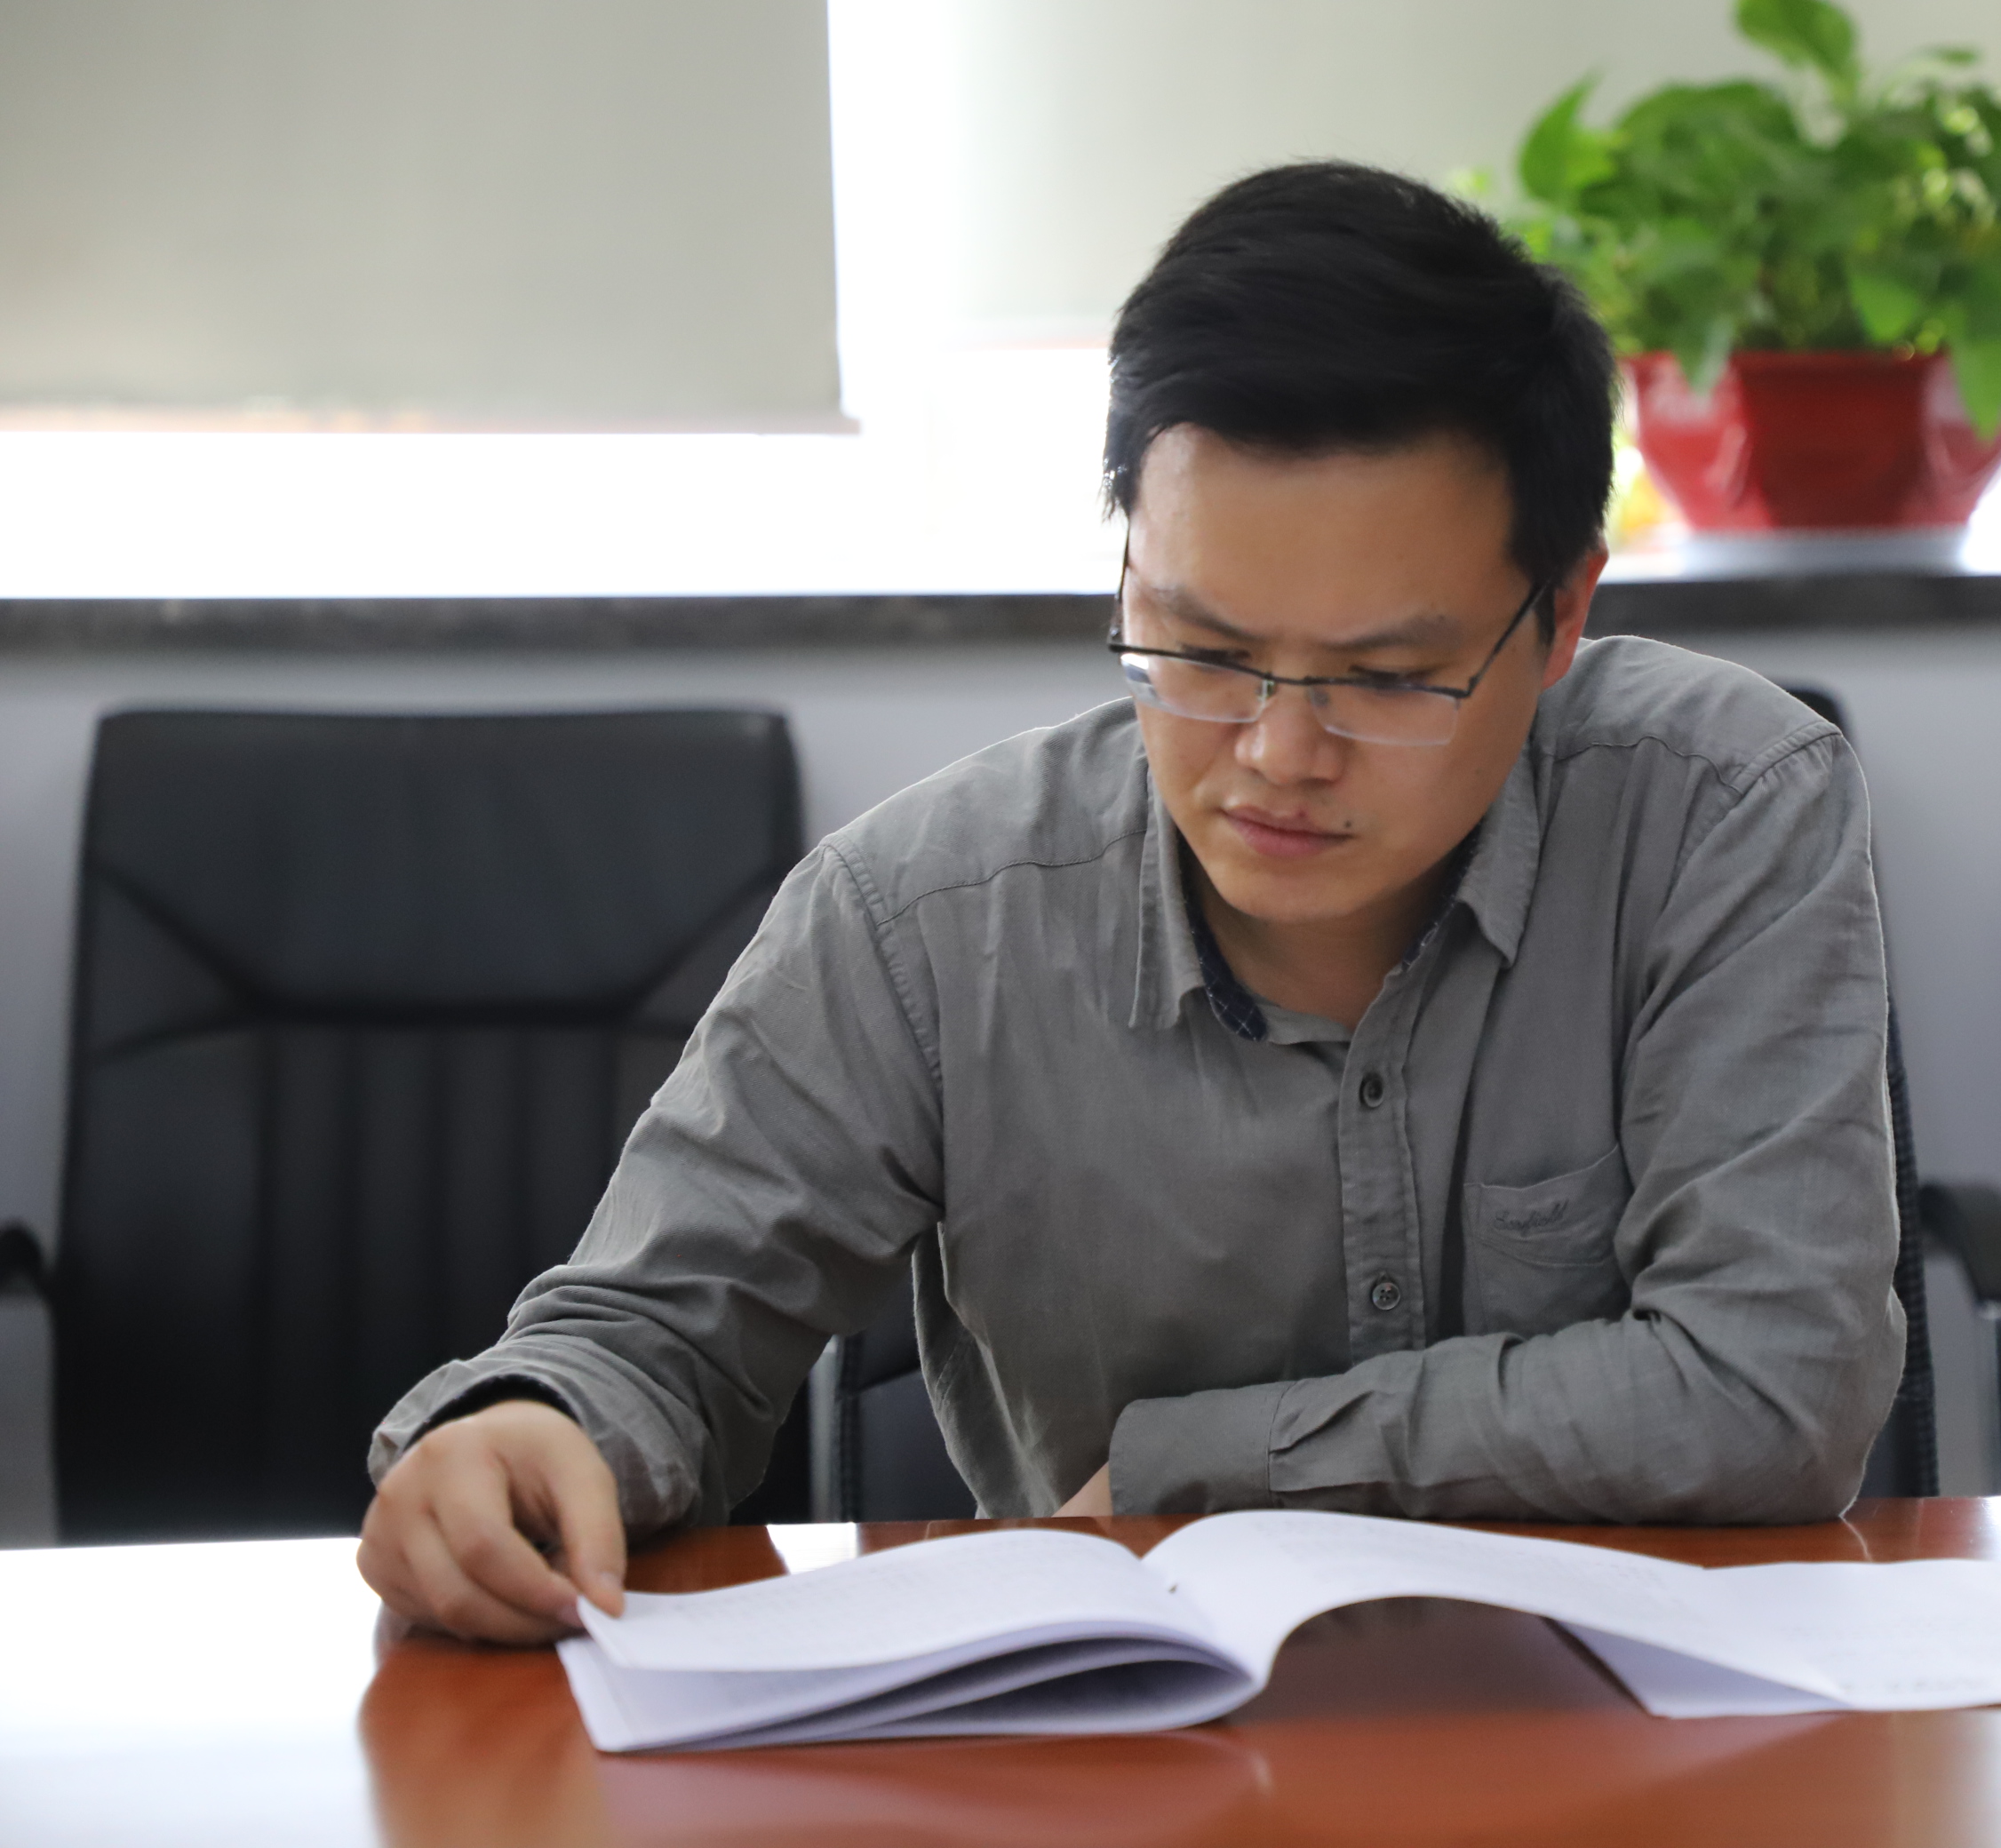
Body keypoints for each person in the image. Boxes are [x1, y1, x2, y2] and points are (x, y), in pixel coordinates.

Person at [357, 161, 1903, 1645]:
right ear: (1128, 572)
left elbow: (1773, 1386)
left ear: (1561, 616)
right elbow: (649, 1332)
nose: (1278, 754)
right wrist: (527, 1428)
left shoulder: (1721, 812)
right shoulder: (927, 918)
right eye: (1204, 650)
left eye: (1385, 677)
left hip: (1631, 1733)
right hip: (1127, 1737)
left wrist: (1205, 1468)